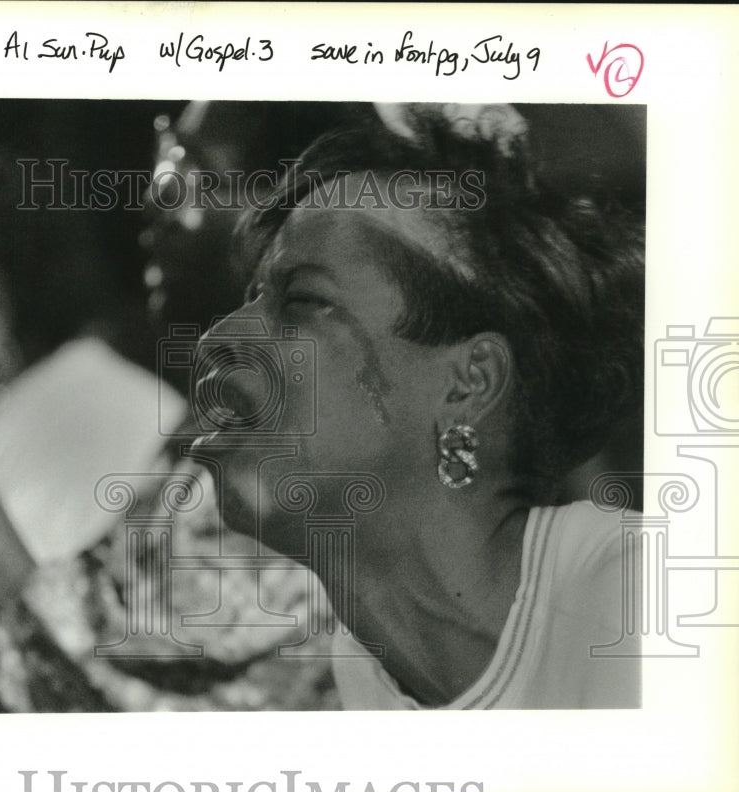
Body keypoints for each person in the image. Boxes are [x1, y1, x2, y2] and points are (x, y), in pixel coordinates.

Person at [0, 101, 357, 711]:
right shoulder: (224, 429)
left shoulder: (298, 452)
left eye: (193, 176)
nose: (154, 202)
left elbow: (56, 685)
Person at [187, 102, 645, 709]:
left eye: (303, 301)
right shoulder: (367, 672)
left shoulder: (642, 603)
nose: (215, 338)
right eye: (252, 297)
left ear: (469, 382)